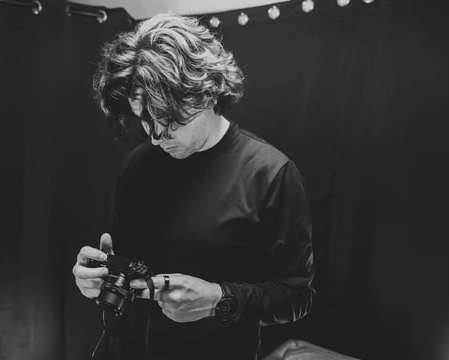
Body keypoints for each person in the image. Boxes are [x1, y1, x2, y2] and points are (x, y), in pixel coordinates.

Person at [72, 13, 315, 360]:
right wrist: (97, 278)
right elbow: (126, 270)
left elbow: (295, 297)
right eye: (145, 120)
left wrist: (218, 299)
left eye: (167, 120)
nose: (156, 138)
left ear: (205, 92)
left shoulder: (272, 174)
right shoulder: (137, 166)